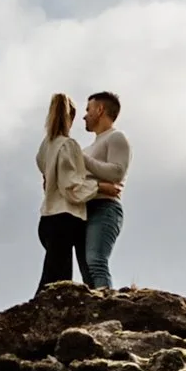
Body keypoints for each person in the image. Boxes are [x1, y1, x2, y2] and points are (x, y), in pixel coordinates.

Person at [36, 91, 94, 288]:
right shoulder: (68, 145)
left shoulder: (46, 146)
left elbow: (46, 174)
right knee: (56, 279)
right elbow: (70, 186)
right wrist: (98, 186)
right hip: (65, 216)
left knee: (57, 272)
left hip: (47, 216)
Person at [81, 90, 130, 289]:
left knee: (96, 261)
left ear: (100, 110)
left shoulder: (116, 137)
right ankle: (94, 309)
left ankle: (107, 308)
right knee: (86, 266)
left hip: (105, 208)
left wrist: (81, 159)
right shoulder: (88, 148)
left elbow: (116, 172)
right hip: (84, 207)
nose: (84, 115)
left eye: (88, 109)